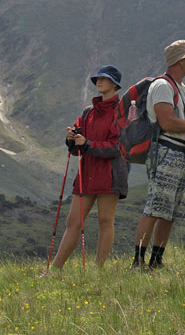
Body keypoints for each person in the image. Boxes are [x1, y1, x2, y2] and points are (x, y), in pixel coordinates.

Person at [131, 39, 185, 270]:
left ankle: (156, 260)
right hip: (165, 151)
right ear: (181, 60)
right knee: (155, 207)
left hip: (179, 152)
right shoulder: (163, 86)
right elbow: (167, 121)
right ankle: (138, 261)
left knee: (169, 210)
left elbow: (179, 124)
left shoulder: (182, 89)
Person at [48, 65, 129, 271]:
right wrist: (72, 140)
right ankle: (55, 269)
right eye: (98, 79)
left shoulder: (121, 112)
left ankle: (97, 271)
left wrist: (87, 144)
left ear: (114, 85)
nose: (99, 82)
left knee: (105, 220)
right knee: (73, 221)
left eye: (103, 79)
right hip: (87, 173)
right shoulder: (88, 113)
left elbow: (117, 147)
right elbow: (77, 148)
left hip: (110, 174)